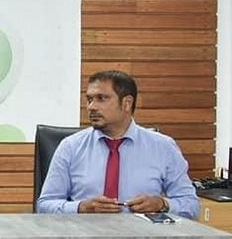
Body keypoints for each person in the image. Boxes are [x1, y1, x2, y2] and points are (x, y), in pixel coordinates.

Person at [37, 70, 199, 219]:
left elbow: (191, 205)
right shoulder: (70, 147)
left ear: (126, 103)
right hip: (84, 236)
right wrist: (81, 207)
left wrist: (162, 204)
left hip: (143, 237)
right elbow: (44, 205)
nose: (91, 107)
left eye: (102, 98)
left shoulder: (163, 147)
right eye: (89, 99)